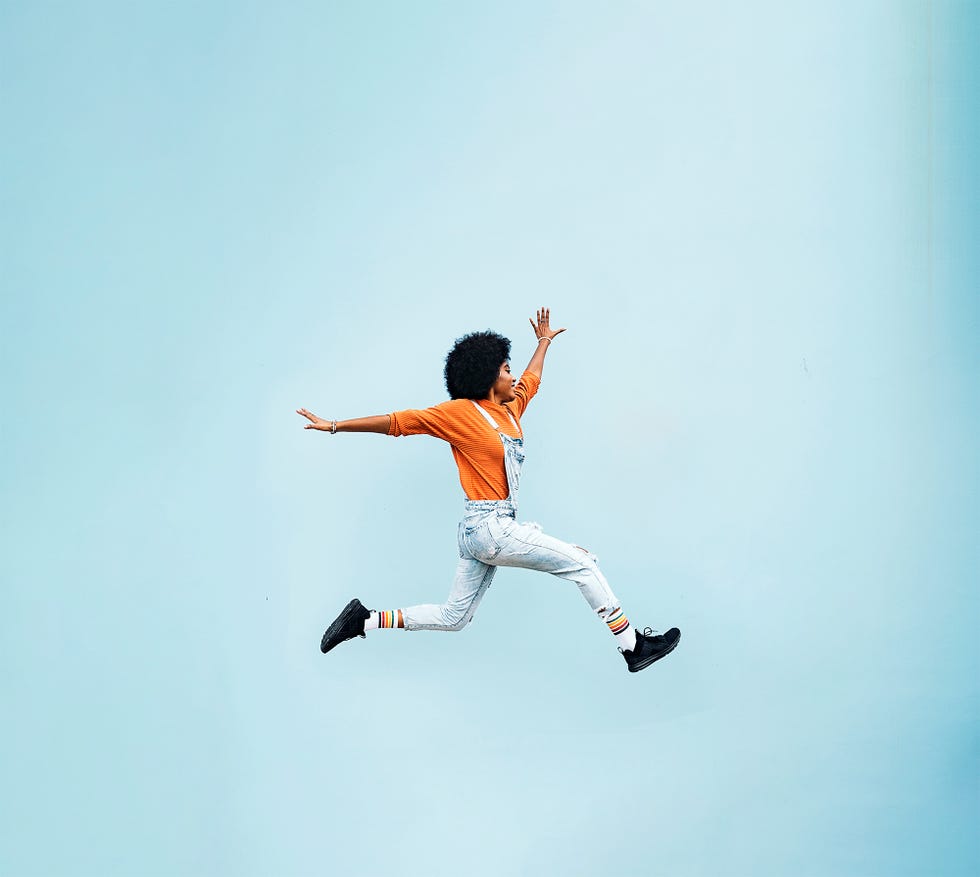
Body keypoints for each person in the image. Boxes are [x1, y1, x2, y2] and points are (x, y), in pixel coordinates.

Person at [296, 308, 680, 673]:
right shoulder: (460, 413)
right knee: (584, 564)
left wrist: (544, 341)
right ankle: (632, 646)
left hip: (484, 532)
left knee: (454, 618)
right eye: (505, 369)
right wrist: (333, 425)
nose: (513, 377)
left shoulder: (511, 409)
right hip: (488, 528)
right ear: (486, 376)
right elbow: (398, 421)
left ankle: (364, 620)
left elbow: (533, 379)